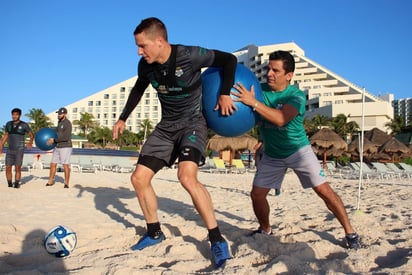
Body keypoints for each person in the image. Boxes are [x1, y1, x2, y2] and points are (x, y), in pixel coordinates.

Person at [112, 17, 237, 267]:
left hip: (193, 124)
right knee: (138, 178)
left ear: (159, 41)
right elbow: (138, 89)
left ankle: (217, 239)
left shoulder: (190, 55)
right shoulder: (145, 66)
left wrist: (225, 92)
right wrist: (123, 118)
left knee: (186, 177)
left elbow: (229, 60)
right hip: (166, 127)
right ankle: (154, 232)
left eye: (142, 46)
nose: (139, 51)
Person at [232, 50, 361, 249]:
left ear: (289, 75)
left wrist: (254, 102)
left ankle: (350, 233)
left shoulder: (296, 95)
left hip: (298, 151)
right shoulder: (258, 89)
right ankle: (265, 229)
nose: (269, 74)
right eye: (268, 69)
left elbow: (282, 119)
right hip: (272, 154)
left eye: (275, 70)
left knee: (324, 191)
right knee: (257, 194)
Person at [0, 108, 34, 188]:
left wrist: (30, 142)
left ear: (19, 115)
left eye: (16, 114)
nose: (14, 116)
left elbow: (31, 135)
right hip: (10, 149)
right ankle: (9, 183)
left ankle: (17, 183)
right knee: (8, 167)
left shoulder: (24, 125)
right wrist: (1, 145)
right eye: (13, 114)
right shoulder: (8, 124)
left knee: (17, 167)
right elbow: (6, 135)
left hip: (19, 149)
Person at [45, 107, 72, 189]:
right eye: (58, 114)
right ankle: (50, 180)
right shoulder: (59, 122)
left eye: (60, 114)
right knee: (53, 163)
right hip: (57, 146)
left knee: (65, 165)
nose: (59, 115)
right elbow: (56, 132)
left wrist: (54, 140)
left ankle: (66, 183)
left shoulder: (67, 123)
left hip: (65, 146)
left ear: (64, 114)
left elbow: (66, 137)